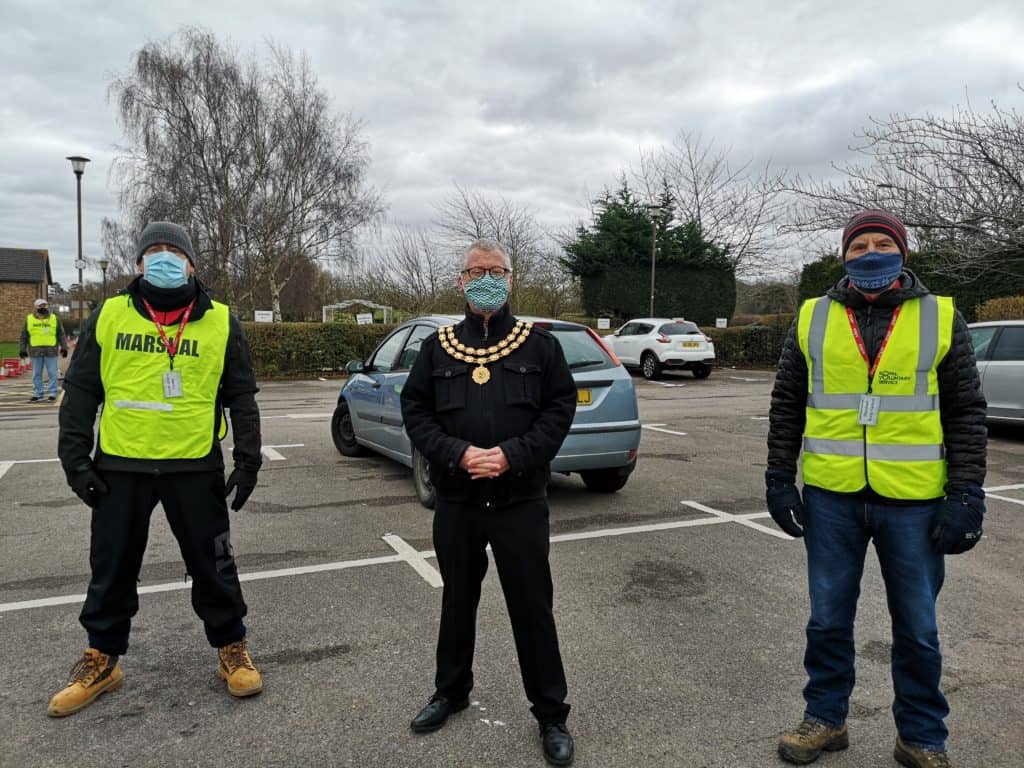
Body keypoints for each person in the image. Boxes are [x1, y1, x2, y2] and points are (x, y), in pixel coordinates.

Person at [766, 210, 987, 768]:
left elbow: (965, 412)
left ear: (903, 254)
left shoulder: (940, 317)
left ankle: (921, 736)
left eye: (881, 243)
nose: (869, 253)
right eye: (858, 245)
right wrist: (777, 479)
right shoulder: (811, 317)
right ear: (844, 255)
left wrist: (966, 494)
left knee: (917, 626)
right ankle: (825, 719)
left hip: (914, 501)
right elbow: (787, 405)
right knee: (827, 619)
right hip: (831, 497)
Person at [51, 221, 264, 717]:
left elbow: (242, 396)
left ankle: (231, 646)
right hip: (121, 467)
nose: (164, 258)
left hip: (194, 465)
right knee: (112, 563)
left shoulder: (220, 321)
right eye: (154, 250)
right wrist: (75, 460)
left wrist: (248, 458)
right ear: (139, 263)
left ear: (192, 264)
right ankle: (102, 658)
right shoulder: (110, 315)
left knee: (215, 564)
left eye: (174, 251)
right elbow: (81, 391)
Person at [400, 239, 578, 766]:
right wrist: (456, 453)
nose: (486, 279)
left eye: (495, 270)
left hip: (519, 499)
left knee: (532, 608)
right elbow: (416, 410)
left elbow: (558, 411)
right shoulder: (438, 346)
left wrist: (510, 456)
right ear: (460, 280)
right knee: (457, 601)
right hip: (457, 499)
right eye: (476, 271)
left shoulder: (540, 347)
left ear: (510, 278)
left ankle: (551, 714)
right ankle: (450, 692)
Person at [19, 297, 68, 402]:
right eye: (41, 306)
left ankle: (52, 393)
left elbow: (61, 334)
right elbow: (24, 335)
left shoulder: (55, 318)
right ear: (35, 307)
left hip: (51, 351)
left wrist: (64, 347)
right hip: (35, 351)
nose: (43, 307)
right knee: (36, 374)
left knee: (52, 373)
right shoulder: (29, 319)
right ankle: (37, 394)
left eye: (45, 305)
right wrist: (22, 349)